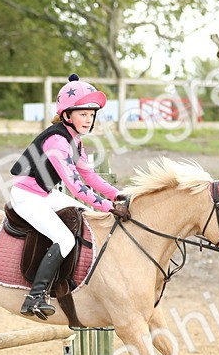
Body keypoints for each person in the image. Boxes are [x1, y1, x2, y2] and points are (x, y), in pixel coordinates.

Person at [9, 74, 131, 319]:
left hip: (44, 193)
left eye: (92, 115)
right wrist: (109, 206)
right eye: (83, 114)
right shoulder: (57, 141)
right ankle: (36, 296)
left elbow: (91, 178)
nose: (89, 119)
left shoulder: (76, 141)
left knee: (84, 215)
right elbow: (76, 187)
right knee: (65, 238)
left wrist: (119, 195)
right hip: (26, 196)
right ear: (67, 115)